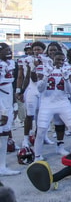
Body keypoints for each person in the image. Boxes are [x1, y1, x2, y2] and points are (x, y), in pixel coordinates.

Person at [34, 51, 71, 161]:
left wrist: (66, 79)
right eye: (58, 59)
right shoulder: (43, 67)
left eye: (62, 60)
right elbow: (40, 89)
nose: (60, 62)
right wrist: (46, 76)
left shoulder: (68, 68)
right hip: (47, 102)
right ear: (52, 58)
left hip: (63, 102)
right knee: (41, 130)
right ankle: (37, 156)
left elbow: (70, 91)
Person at [0, 42, 20, 176]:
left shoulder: (11, 63)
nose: (9, 52)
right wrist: (2, 110)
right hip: (1, 101)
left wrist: (14, 104)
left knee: (5, 135)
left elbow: (10, 87)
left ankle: (2, 165)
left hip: (7, 99)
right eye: (5, 50)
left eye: (9, 50)